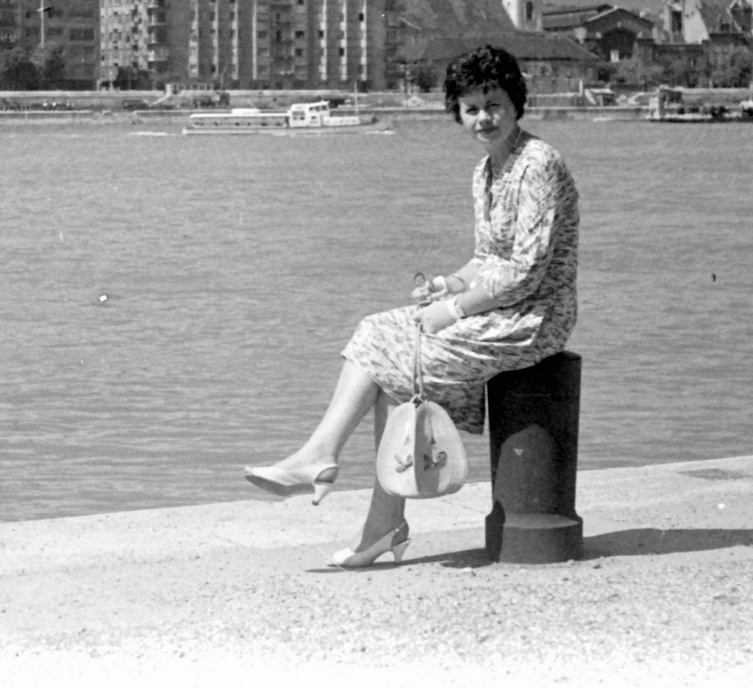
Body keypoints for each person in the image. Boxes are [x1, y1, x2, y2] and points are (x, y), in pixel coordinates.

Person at [244, 44, 580, 568]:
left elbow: (525, 270)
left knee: (388, 354)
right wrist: (448, 284)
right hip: (498, 307)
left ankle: (334, 471)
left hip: (535, 319)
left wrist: (454, 310)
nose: (483, 118)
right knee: (379, 338)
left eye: (493, 104)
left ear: (516, 103)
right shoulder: (485, 171)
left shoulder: (538, 164)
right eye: (470, 108)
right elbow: (487, 259)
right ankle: (376, 517)